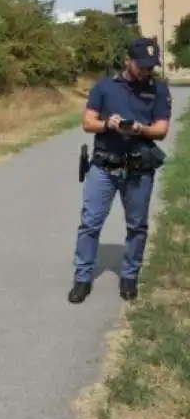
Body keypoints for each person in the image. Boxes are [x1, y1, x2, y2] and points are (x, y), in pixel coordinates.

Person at [68, 37, 172, 305]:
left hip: (139, 168)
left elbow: (161, 130)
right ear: (129, 61)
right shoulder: (105, 87)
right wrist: (108, 124)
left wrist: (140, 129)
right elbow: (87, 122)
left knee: (136, 226)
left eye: (151, 66)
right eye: (142, 66)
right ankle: (82, 278)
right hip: (103, 166)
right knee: (90, 223)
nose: (147, 71)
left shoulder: (159, 90)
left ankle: (129, 277)